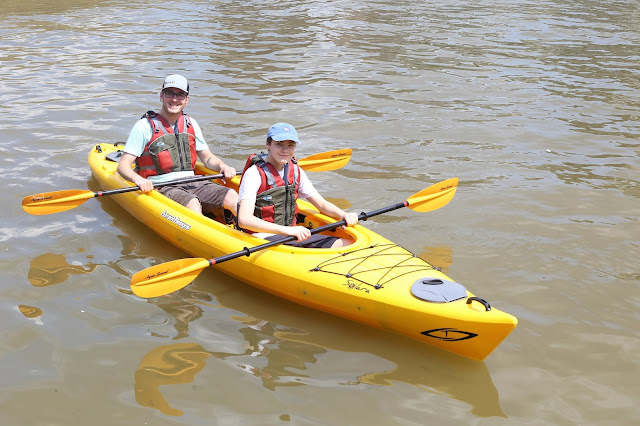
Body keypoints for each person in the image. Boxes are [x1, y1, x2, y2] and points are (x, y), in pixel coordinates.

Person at [117, 74, 238, 218]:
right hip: (162, 187)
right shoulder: (144, 126)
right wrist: (139, 180)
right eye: (170, 93)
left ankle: (252, 233)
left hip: (193, 182)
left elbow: (208, 158)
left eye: (180, 95)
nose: (174, 99)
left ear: (186, 100)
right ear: (161, 96)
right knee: (192, 203)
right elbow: (123, 166)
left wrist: (223, 167)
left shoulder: (191, 123)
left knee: (232, 196)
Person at [237, 122, 358, 248]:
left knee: (350, 242)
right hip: (261, 237)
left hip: (289, 233)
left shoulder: (295, 170)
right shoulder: (254, 174)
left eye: (290, 145)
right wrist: (287, 231)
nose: (285, 150)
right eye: (279, 144)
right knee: (344, 245)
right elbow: (244, 220)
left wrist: (344, 215)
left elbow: (321, 204)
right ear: (268, 144)